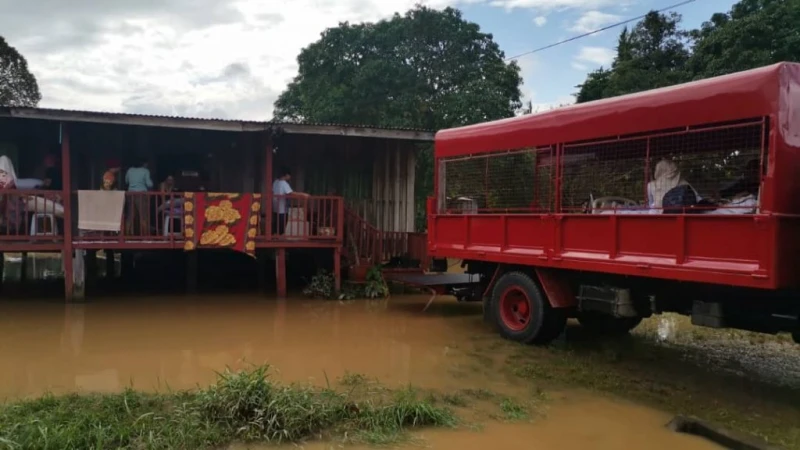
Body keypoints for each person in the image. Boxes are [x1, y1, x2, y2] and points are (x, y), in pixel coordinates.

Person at [272, 167, 308, 236]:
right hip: (282, 209)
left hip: (275, 208)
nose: (290, 177)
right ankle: (279, 239)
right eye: (289, 175)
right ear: (286, 175)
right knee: (281, 226)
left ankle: (275, 237)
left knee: (276, 225)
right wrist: (303, 195)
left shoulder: (275, 182)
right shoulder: (284, 183)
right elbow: (290, 193)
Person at [125, 158, 153, 235]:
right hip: (141, 195)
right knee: (143, 215)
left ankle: (127, 235)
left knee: (130, 215)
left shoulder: (130, 170)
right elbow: (149, 184)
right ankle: (145, 236)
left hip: (130, 194)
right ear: (143, 164)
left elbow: (126, 181)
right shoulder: (145, 171)